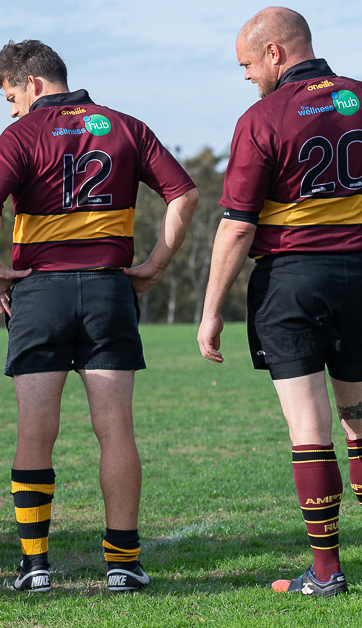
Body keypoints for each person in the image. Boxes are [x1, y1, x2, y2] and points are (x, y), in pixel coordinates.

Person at [0, 39, 198, 593]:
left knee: (34, 431)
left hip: (39, 295)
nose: (14, 109)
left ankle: (34, 567)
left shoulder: (21, 134)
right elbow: (184, 196)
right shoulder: (126, 126)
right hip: (107, 292)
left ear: (35, 85)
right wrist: (156, 266)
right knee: (115, 429)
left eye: (12, 96)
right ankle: (122, 563)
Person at [200, 7, 362, 597]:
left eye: (246, 63)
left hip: (292, 281)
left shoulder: (263, 116)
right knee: (360, 421)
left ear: (275, 53)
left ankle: (325, 574)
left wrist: (212, 308)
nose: (245, 76)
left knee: (309, 429)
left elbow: (238, 226)